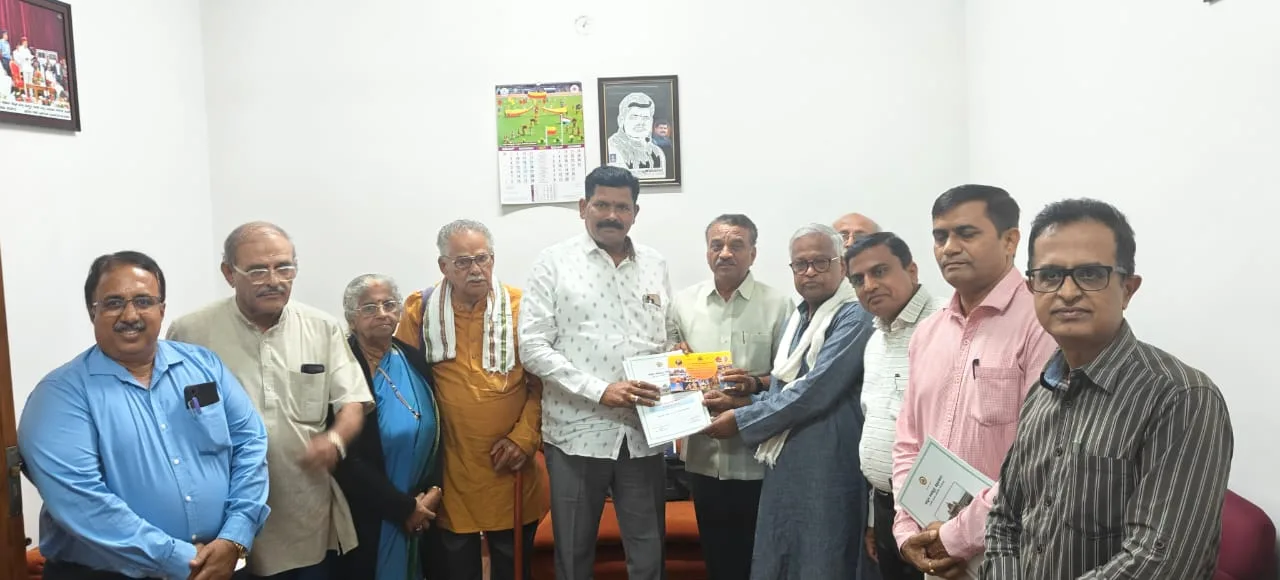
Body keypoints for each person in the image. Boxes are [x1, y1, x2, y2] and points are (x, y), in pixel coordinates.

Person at [981, 199, 1234, 579]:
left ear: (1128, 289)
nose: (1067, 292)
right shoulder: (1042, 391)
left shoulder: (1182, 398)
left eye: (1090, 274)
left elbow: (1159, 563)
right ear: (1032, 287)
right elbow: (1004, 520)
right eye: (1050, 275)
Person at [19, 251, 269, 580]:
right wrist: (181, 559)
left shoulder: (204, 366)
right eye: (113, 303)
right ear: (92, 312)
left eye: (143, 301)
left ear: (161, 309)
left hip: (221, 562)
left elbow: (250, 444)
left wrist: (235, 536)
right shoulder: (60, 395)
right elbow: (80, 500)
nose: (130, 314)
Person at [166, 222, 373, 580]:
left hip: (302, 510)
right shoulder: (190, 333)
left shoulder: (322, 327)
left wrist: (335, 440)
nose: (274, 280)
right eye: (258, 270)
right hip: (222, 520)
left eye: (284, 268)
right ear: (229, 273)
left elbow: (352, 402)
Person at [892, 185, 1057, 579]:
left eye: (966, 233)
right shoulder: (928, 332)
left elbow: (1042, 459)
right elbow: (908, 441)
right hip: (936, 554)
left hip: (1014, 554)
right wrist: (907, 528)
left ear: (1010, 240)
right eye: (940, 236)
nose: (949, 248)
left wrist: (956, 537)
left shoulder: (1043, 323)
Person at [519, 165, 671, 580]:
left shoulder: (655, 263)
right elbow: (532, 347)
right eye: (602, 204)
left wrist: (679, 357)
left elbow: (667, 334)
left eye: (622, 207)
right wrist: (600, 390)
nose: (612, 215)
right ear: (583, 206)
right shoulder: (553, 263)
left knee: (649, 552)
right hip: (576, 433)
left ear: (635, 212)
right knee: (573, 553)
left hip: (643, 433)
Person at [702, 224, 876, 580]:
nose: (809, 272)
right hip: (785, 460)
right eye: (800, 264)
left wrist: (742, 418)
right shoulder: (800, 315)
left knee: (823, 556)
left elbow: (815, 390)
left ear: (841, 265)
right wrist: (740, 400)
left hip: (828, 462)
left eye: (820, 262)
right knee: (783, 552)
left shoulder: (855, 315)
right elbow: (784, 389)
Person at [394, 220, 548, 580]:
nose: (475, 269)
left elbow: (543, 384)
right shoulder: (420, 309)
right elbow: (404, 381)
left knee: (514, 565)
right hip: (450, 466)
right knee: (454, 565)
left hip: (510, 463)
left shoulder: (522, 307)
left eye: (482, 258)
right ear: (443, 266)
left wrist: (524, 438)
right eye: (462, 262)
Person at [666, 214, 794, 580]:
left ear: (753, 253)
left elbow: (790, 381)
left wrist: (752, 383)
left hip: (758, 457)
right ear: (707, 252)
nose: (725, 252)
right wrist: (673, 360)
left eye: (736, 245)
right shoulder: (682, 304)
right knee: (717, 558)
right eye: (716, 245)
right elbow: (669, 367)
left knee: (762, 558)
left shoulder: (779, 305)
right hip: (703, 456)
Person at [845, 232, 944, 580]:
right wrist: (876, 519)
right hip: (887, 506)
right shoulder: (875, 340)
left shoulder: (946, 324)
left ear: (912, 270)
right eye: (858, 279)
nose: (869, 285)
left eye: (880, 271)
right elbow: (879, 426)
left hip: (934, 510)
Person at [333, 274, 443, 580]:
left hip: (421, 507)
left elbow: (439, 435)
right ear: (351, 319)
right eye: (369, 308)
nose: (382, 313)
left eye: (389, 304)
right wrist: (404, 508)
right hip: (370, 513)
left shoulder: (413, 359)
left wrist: (434, 491)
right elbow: (347, 458)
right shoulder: (342, 367)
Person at [606, 92, 667, 177]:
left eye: (645, 118)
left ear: (651, 121)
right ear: (621, 120)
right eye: (634, 117)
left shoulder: (657, 153)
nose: (640, 123)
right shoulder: (611, 148)